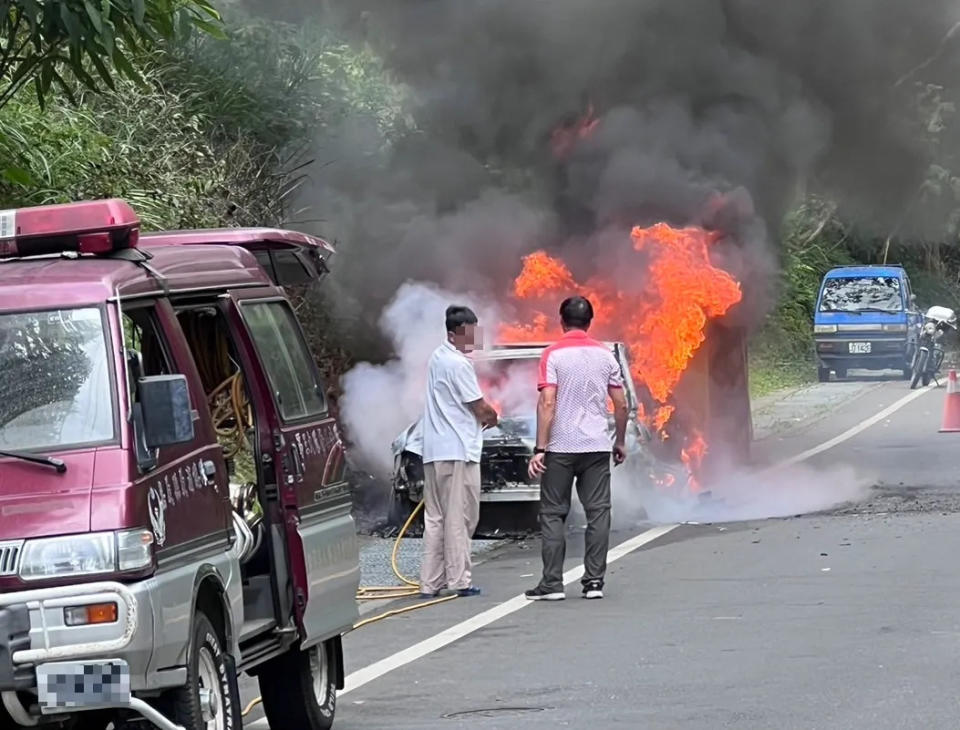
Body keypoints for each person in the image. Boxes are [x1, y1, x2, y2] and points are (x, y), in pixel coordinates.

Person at [525, 296, 628, 601]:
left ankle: (552, 583)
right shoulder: (606, 356)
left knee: (554, 513)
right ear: (590, 322)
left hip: (560, 447)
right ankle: (594, 582)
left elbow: (547, 402)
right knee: (598, 513)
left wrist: (540, 448)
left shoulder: (552, 355)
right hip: (597, 446)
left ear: (561, 320)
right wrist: (619, 440)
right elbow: (621, 404)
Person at [419, 305, 499, 598]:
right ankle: (459, 581)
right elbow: (479, 407)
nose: (474, 338)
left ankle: (431, 583)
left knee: (436, 517)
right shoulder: (458, 364)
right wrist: (493, 417)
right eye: (469, 333)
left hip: (434, 450)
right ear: (453, 334)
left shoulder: (438, 357)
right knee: (460, 516)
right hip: (457, 450)